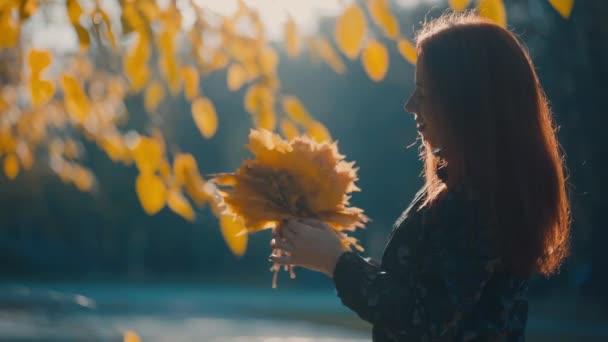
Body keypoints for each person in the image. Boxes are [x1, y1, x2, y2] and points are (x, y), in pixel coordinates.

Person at [269, 12, 570, 341]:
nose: (410, 106)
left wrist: (337, 262)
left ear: (468, 104)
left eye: (424, 93)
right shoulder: (462, 189)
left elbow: (421, 319)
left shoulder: (478, 204)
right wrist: (329, 249)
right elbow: (421, 285)